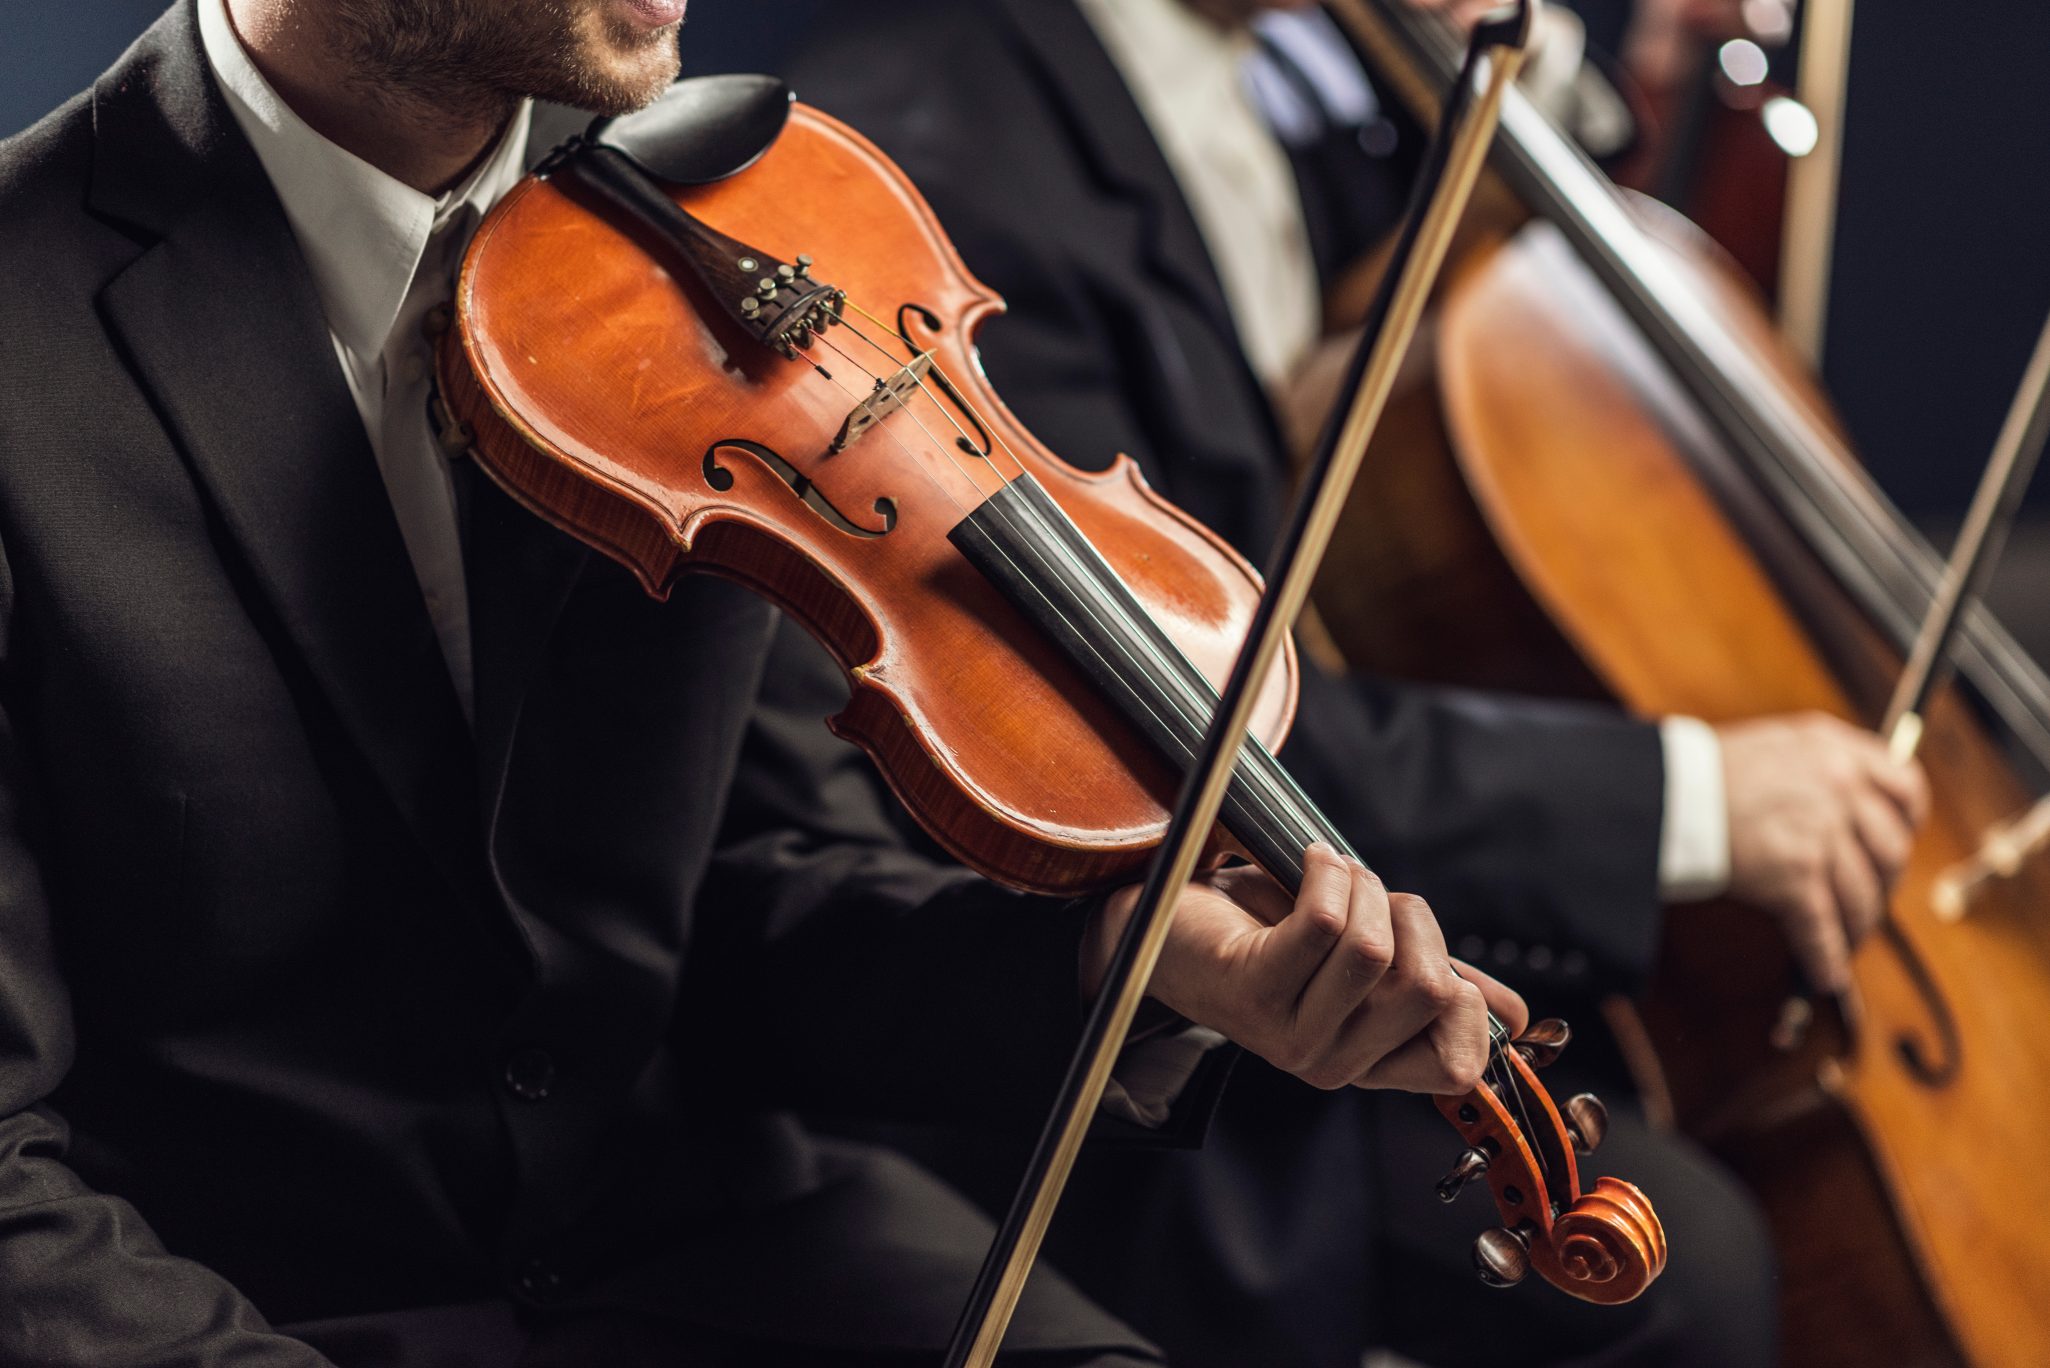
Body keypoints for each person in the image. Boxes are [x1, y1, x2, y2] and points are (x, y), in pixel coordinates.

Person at [0, 0, 1531, 1363]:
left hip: (717, 1250)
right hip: (256, 1303)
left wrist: (1137, 972)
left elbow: (743, 903)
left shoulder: (714, 241)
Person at [780, 1, 1930, 1365]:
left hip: (1354, 900)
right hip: (1097, 1042)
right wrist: (1686, 797)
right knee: (1683, 1272)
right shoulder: (937, 155)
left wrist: (1534, 82)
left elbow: (1471, 320)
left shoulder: (1277, 89)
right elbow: (1159, 722)